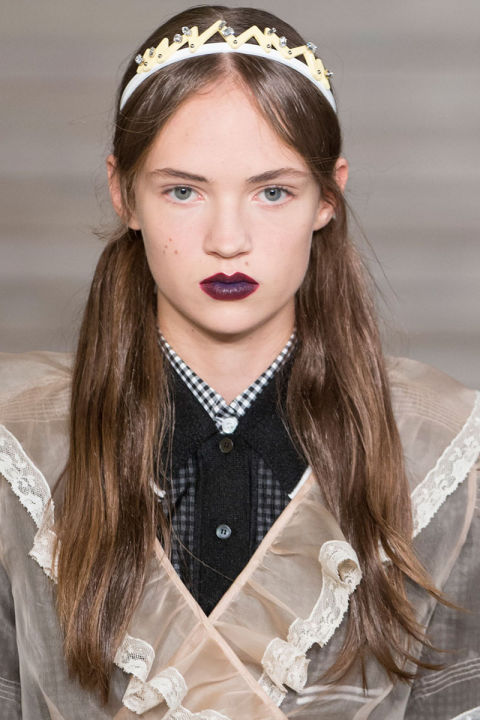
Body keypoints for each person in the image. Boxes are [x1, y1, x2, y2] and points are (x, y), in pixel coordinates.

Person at [0, 5, 479, 719]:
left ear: (328, 196)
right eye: (183, 191)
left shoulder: (442, 452)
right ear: (124, 193)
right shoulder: (21, 451)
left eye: (272, 192)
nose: (228, 240)